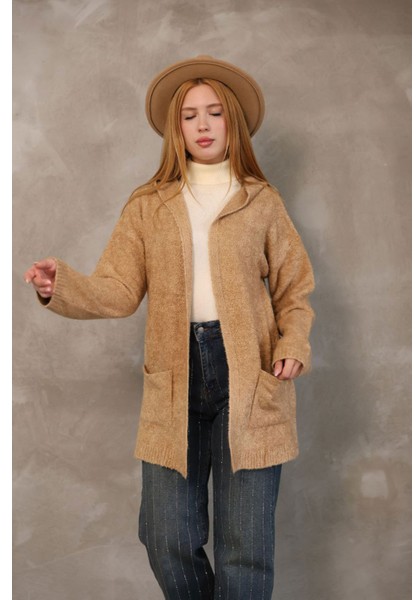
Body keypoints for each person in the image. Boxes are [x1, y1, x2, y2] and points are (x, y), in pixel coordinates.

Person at [24, 55, 315, 600]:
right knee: (165, 536)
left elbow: (293, 290)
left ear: (233, 123)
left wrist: (293, 342)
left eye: (214, 113)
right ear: (174, 128)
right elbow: (117, 289)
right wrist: (60, 286)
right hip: (173, 376)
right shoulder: (148, 206)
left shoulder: (261, 201)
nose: (203, 125)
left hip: (250, 376)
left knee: (246, 547)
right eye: (189, 115)